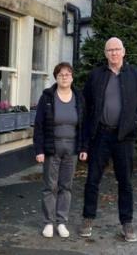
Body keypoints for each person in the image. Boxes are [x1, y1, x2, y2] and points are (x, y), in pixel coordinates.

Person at [79, 37, 137, 242]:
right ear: (105, 54)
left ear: (124, 51)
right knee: (92, 179)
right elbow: (85, 105)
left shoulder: (135, 74)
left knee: (125, 182)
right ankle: (88, 218)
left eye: (117, 49)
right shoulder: (96, 75)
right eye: (110, 50)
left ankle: (127, 223)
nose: (113, 53)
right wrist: (85, 140)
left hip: (124, 136)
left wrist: (135, 120)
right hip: (100, 135)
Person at [33, 62, 88, 238]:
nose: (64, 77)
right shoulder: (47, 97)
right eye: (61, 74)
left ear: (72, 77)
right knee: (50, 186)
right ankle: (48, 222)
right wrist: (39, 150)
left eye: (67, 74)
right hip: (51, 147)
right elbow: (39, 125)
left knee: (66, 186)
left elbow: (84, 126)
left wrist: (84, 147)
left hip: (71, 149)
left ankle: (62, 221)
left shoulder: (79, 98)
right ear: (56, 77)